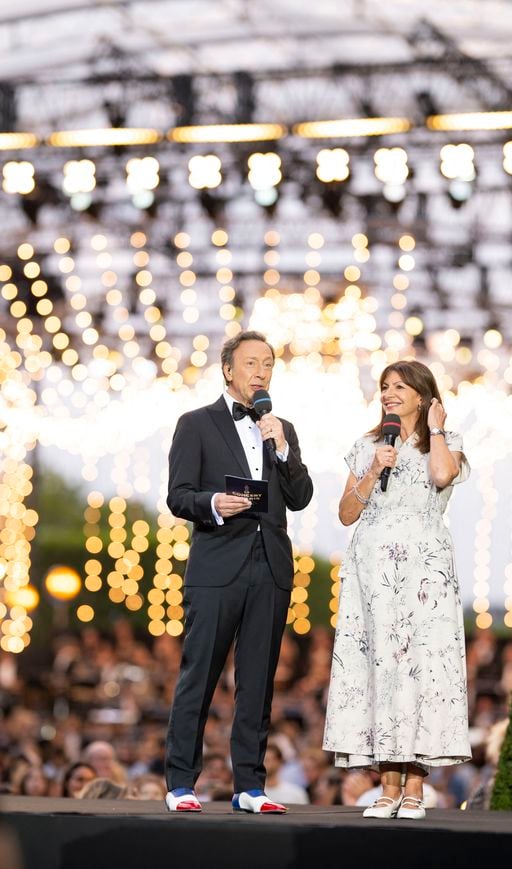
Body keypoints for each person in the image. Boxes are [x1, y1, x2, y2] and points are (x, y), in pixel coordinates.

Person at [165, 330, 313, 814]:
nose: (260, 372)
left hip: (269, 566)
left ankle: (250, 786)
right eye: (251, 363)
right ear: (228, 369)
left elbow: (301, 496)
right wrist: (211, 503)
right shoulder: (196, 423)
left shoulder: (281, 426)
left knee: (258, 681)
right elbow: (178, 495)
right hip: (216, 567)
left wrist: (285, 449)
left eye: (268, 364)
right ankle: (181, 783)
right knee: (199, 675)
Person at [323, 360, 471, 820]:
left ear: (423, 395)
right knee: (382, 669)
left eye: (399, 386)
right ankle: (387, 787)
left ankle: (415, 789)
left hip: (424, 571)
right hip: (373, 571)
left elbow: (443, 477)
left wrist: (436, 429)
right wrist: (372, 470)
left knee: (422, 670)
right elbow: (346, 513)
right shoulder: (367, 444)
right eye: (385, 386)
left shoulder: (446, 443)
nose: (388, 393)